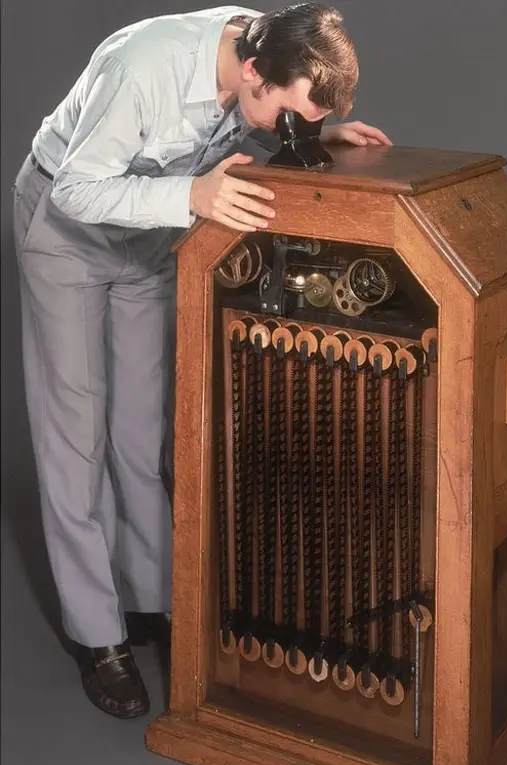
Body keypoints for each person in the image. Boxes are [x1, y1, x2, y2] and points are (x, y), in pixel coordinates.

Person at [12, 3, 391, 720]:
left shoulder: (269, 43)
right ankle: (98, 635)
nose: (287, 125)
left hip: (149, 230)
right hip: (69, 231)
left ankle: (156, 598)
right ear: (251, 72)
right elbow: (77, 188)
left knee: (139, 430)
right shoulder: (143, 68)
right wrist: (194, 193)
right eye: (287, 113)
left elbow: (250, 115)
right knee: (76, 436)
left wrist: (316, 131)